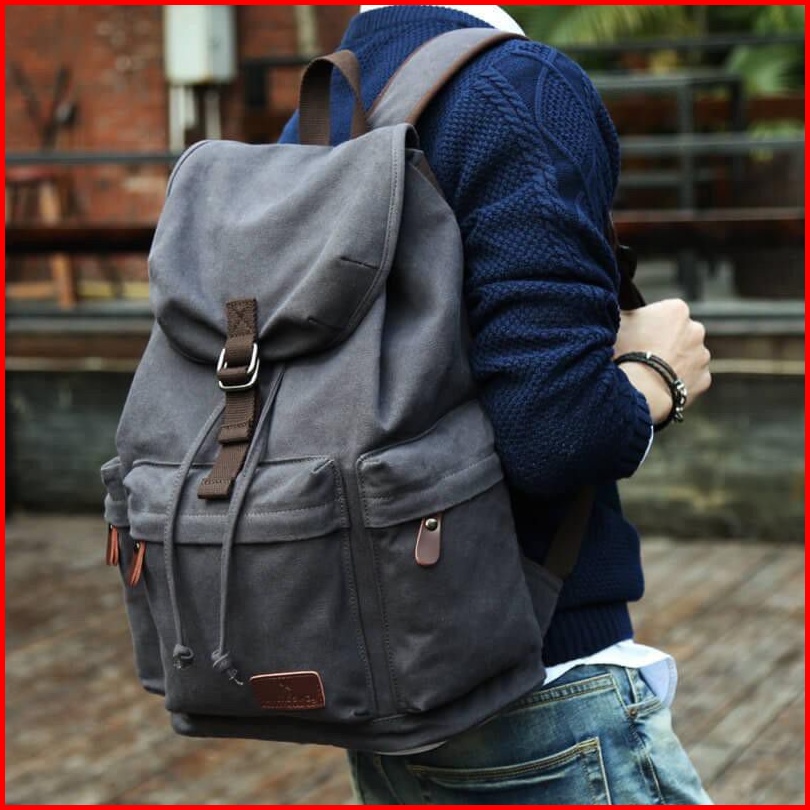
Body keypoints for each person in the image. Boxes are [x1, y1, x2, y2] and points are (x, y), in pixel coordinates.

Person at [279, 4, 713, 805]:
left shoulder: (322, 108)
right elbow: (557, 433)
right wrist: (659, 375)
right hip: (541, 684)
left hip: (389, 693)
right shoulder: (515, 86)